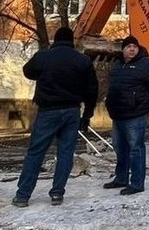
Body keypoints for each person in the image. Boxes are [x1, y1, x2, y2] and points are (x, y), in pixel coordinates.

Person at [12, 27, 98, 207]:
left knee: (36, 152)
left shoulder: (43, 57)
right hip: (72, 112)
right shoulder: (82, 60)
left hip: (47, 111)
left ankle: (23, 195)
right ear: (72, 41)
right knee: (65, 153)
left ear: (55, 40)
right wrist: (87, 115)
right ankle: (57, 193)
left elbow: (28, 71)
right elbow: (92, 90)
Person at [103, 35, 149, 195]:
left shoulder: (146, 65)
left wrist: (143, 102)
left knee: (135, 149)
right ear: (123, 49)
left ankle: (137, 183)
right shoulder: (117, 66)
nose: (132, 49)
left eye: (134, 47)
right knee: (119, 148)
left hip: (135, 114)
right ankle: (121, 178)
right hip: (118, 114)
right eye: (128, 46)